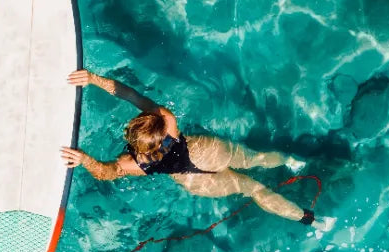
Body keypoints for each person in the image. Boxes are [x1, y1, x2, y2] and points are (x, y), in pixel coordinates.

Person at [60, 69, 335, 231]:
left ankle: (309, 220)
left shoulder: (134, 163)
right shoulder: (167, 120)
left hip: (195, 179)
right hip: (207, 152)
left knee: (252, 189)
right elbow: (132, 95)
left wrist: (85, 159)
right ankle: (290, 160)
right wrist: (94, 79)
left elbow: (106, 173)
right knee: (254, 159)